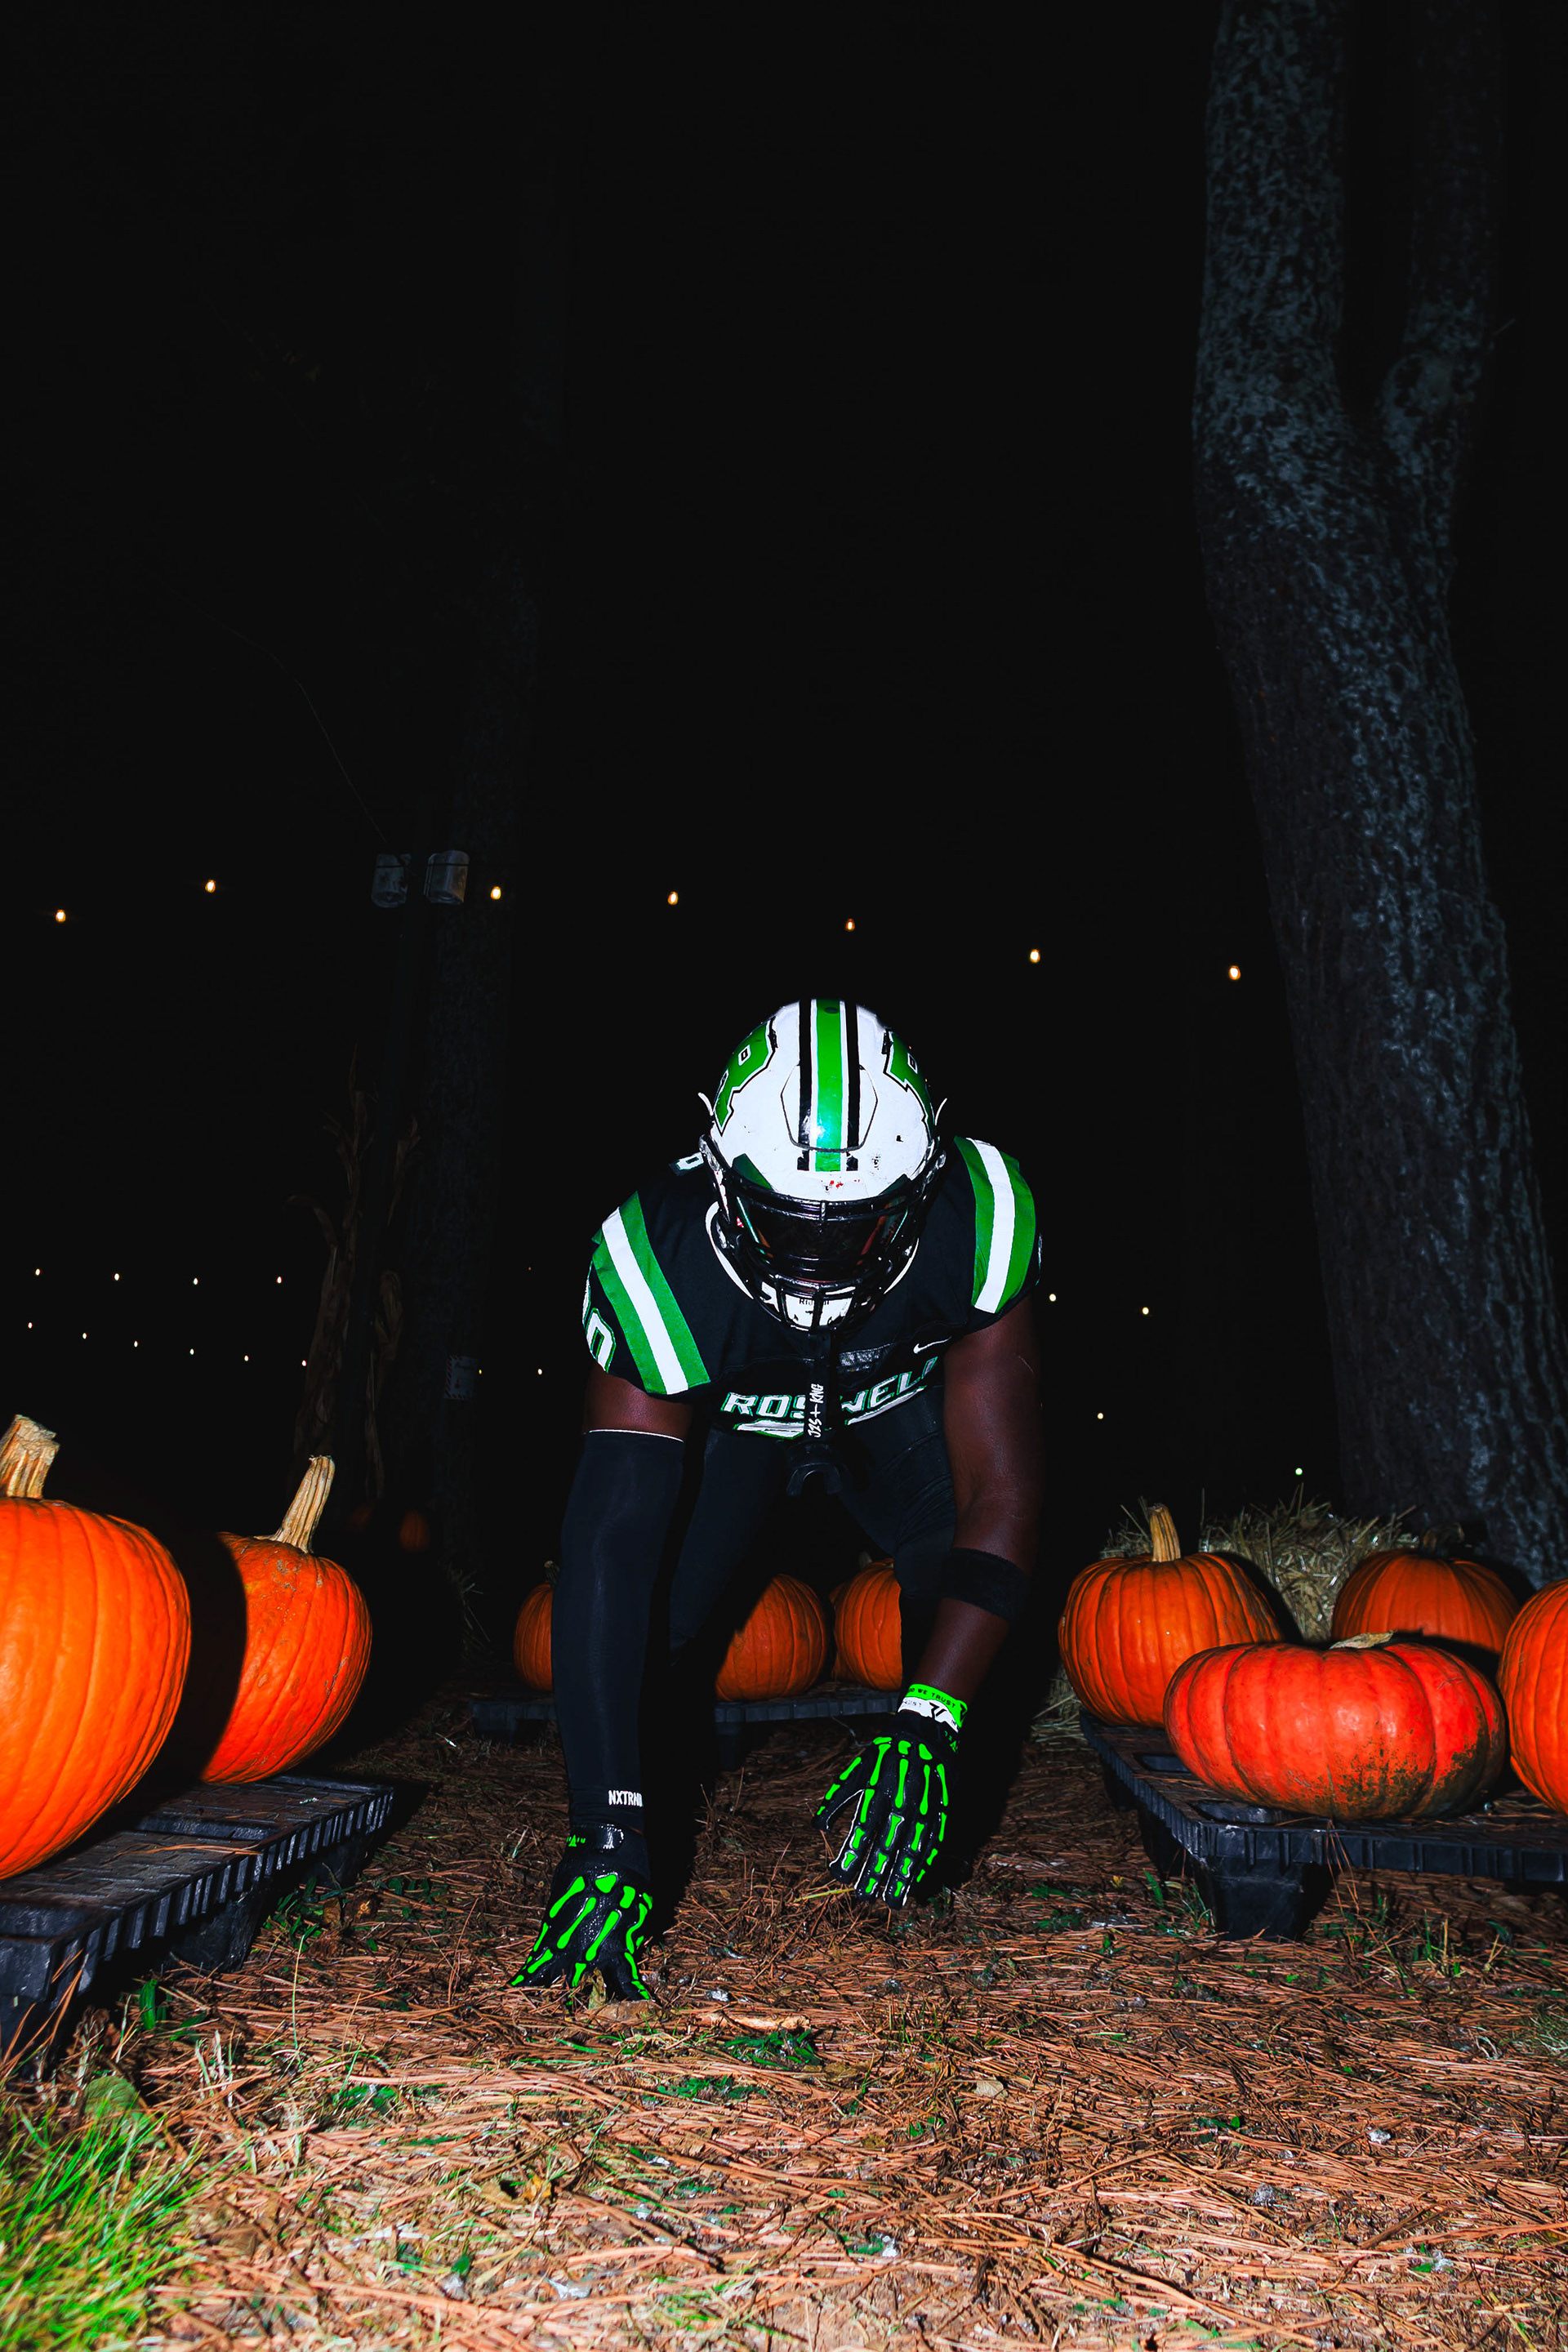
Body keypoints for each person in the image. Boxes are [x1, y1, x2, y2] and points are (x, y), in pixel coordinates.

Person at [517, 999, 1042, 1999]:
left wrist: (931, 1716)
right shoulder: (657, 1254)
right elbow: (608, 1548)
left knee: (952, 1575)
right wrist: (605, 1827)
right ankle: (635, 1826)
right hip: (736, 1434)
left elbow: (1003, 1494)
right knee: (653, 1625)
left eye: (859, 1226)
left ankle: (921, 1823)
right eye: (785, 1223)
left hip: (899, 1415)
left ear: (922, 1183)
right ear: (718, 1176)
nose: (818, 1263)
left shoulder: (979, 1215)